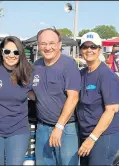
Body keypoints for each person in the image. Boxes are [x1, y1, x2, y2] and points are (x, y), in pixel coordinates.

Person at [0, 36, 34, 165]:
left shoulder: (29, 72)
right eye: (7, 51)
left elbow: (41, 93)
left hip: (18, 129)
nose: (11, 55)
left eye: (16, 52)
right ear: (1, 51)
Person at [32, 28, 81, 165]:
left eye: (52, 43)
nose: (47, 47)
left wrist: (59, 127)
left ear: (59, 45)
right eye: (43, 44)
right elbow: (34, 93)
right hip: (42, 128)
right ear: (38, 45)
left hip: (65, 129)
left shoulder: (68, 65)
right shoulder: (36, 66)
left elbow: (73, 97)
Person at [77, 32, 119, 165]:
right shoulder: (81, 74)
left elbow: (111, 110)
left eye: (93, 47)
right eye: (85, 47)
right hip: (86, 134)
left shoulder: (107, 76)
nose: (89, 50)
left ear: (100, 50)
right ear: (81, 50)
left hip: (103, 136)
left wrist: (91, 139)